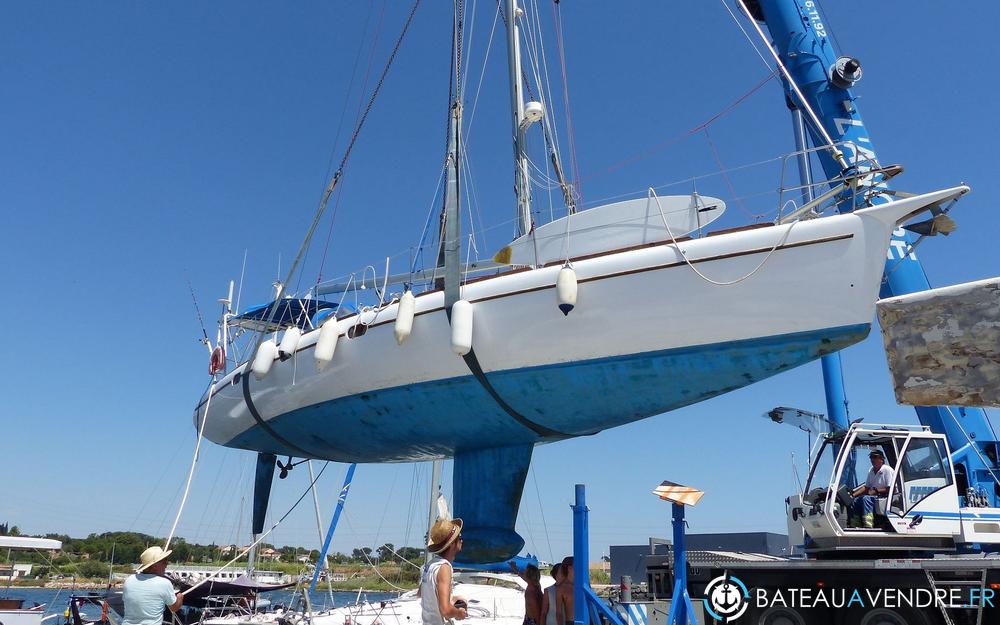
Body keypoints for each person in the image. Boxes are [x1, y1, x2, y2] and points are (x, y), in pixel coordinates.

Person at [421, 517, 468, 624]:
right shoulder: (444, 567)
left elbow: (423, 594)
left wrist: (452, 599)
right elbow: (446, 611)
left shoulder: (430, 565)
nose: (462, 540)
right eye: (459, 537)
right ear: (451, 544)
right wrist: (459, 613)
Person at [122, 546, 183, 625]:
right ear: (154, 566)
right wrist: (180, 597)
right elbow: (174, 608)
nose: (166, 565)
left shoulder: (129, 580)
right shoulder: (164, 583)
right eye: (164, 561)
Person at [850, 449, 893, 528]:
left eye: (875, 457)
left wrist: (876, 491)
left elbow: (891, 489)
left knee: (866, 499)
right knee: (855, 500)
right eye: (871, 457)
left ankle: (868, 524)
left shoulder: (887, 470)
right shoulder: (871, 470)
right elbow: (866, 487)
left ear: (881, 459)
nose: (872, 460)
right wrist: (853, 495)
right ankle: (855, 524)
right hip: (874, 496)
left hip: (886, 496)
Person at [555, 557, 574, 625]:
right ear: (569, 568)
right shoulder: (561, 588)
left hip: (585, 620)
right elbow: (558, 613)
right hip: (571, 622)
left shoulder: (582, 584)